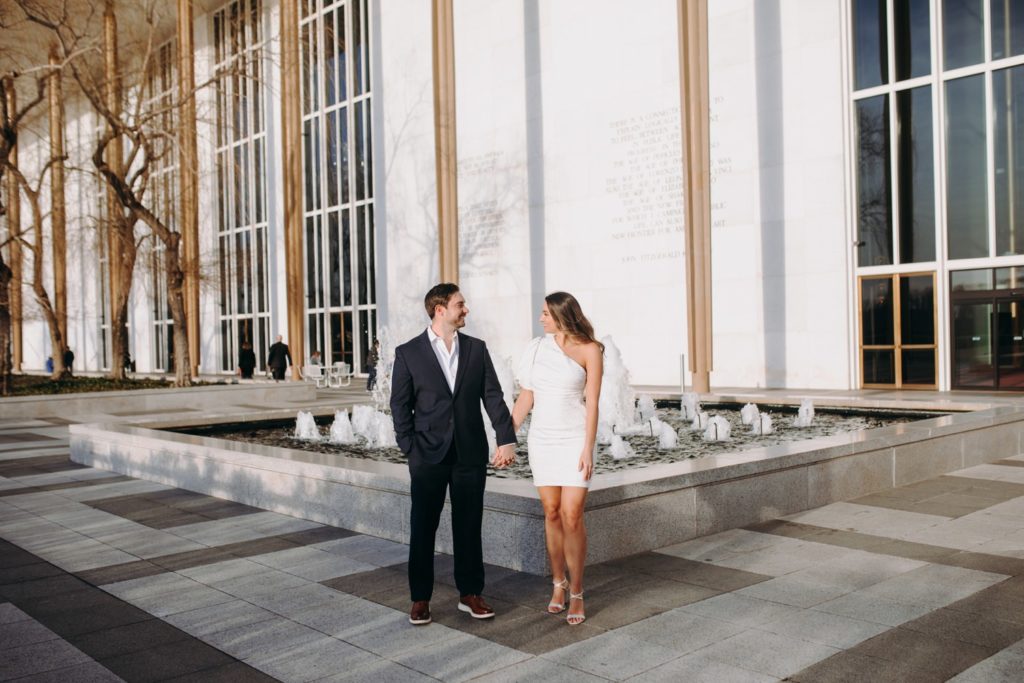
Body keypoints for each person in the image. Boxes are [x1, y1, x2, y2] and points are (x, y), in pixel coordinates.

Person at [390, 283, 517, 626]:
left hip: (469, 454)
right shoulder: (408, 353)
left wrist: (505, 438)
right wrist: (410, 448)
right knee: (422, 527)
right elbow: (399, 406)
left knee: (469, 525)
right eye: (461, 304)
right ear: (440, 309)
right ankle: (420, 598)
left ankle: (470, 593)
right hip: (427, 456)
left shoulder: (476, 349)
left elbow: (493, 395)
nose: (467, 309)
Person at [512, 292, 603, 626]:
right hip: (543, 440)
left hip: (574, 439)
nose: (541, 319)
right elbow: (527, 395)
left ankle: (577, 591)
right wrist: (508, 434)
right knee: (551, 512)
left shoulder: (590, 350)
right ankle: (557, 584)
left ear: (563, 315)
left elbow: (592, 402)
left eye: (545, 313)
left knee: (572, 514)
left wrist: (588, 447)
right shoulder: (536, 348)